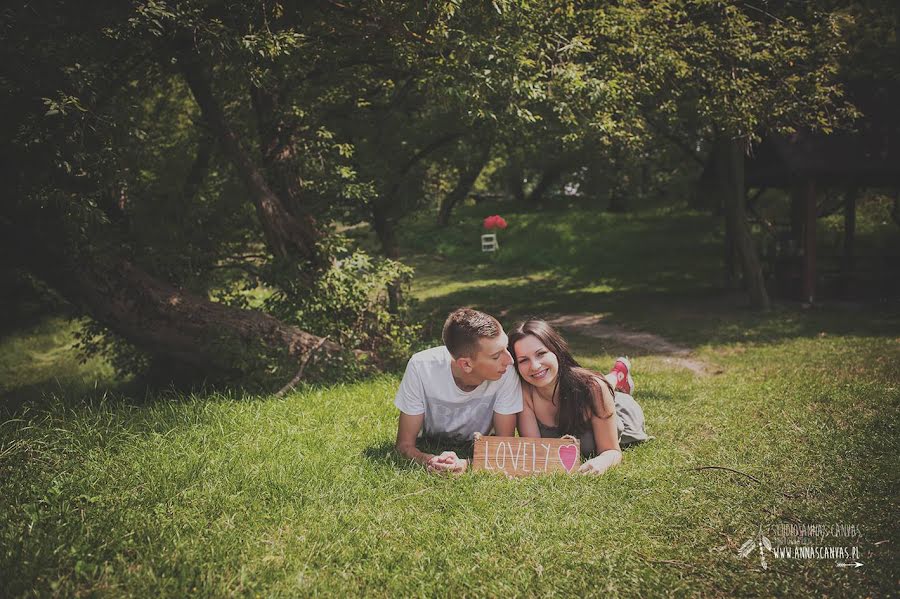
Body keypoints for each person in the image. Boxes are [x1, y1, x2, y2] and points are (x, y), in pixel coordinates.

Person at [508, 319, 651, 476]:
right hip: (587, 388)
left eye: (541, 354)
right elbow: (536, 454)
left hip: (618, 411)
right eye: (523, 360)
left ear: (556, 350)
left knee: (596, 386)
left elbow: (612, 451)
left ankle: (618, 376)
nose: (535, 366)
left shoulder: (594, 388)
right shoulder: (524, 394)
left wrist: (602, 461)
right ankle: (617, 376)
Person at [394, 308, 523, 473]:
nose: (510, 360)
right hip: (432, 439)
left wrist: (466, 463)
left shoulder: (506, 372)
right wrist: (431, 461)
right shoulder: (421, 367)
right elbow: (404, 445)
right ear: (466, 364)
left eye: (506, 348)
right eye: (496, 356)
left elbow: (504, 448)